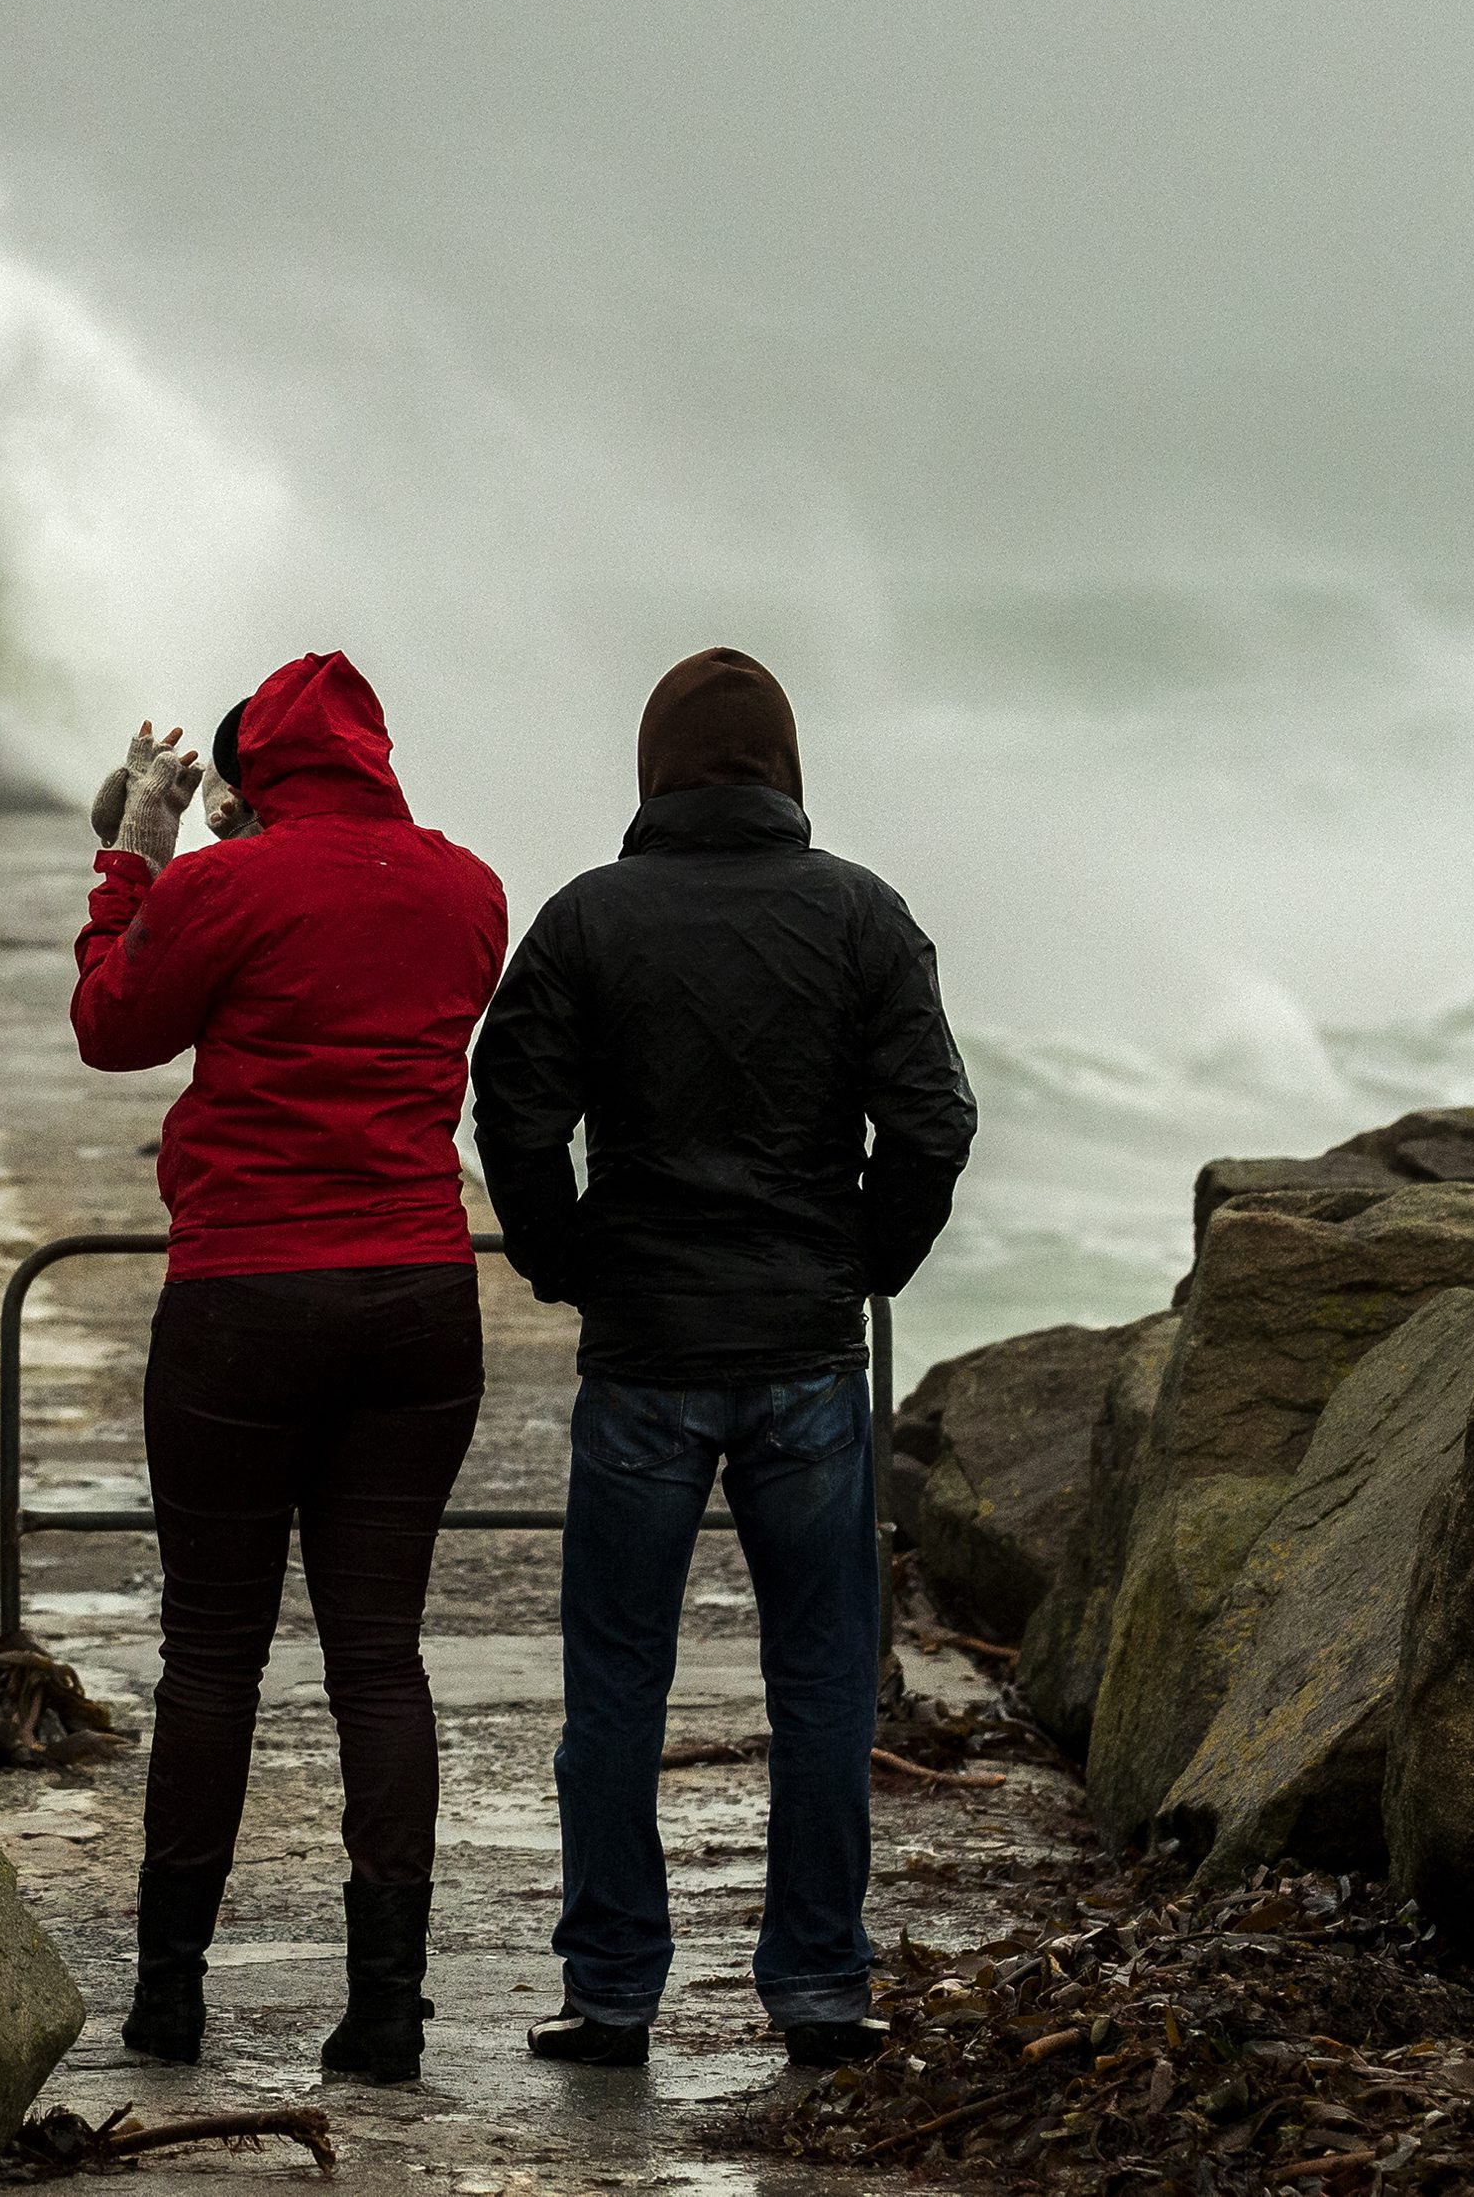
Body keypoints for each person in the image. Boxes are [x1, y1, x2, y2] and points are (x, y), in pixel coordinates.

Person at [470, 646, 974, 2072]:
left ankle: (613, 1992)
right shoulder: (862, 917)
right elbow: (934, 1122)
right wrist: (863, 1261)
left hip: (643, 1355)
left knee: (616, 1685)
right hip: (807, 1355)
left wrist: (562, 1256)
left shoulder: (588, 922)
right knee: (821, 1682)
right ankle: (818, 1987)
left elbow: (511, 1105)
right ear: (788, 771)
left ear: (655, 769)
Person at [70, 652, 509, 2084]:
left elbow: (113, 1027)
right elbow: (351, 948)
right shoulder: (469, 891)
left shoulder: (221, 886)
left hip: (247, 1301)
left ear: (249, 781)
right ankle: (387, 2008)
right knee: (379, 1659)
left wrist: (137, 864)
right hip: (416, 1302)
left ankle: (170, 2002)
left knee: (213, 1656)